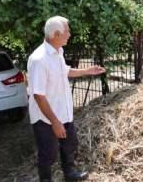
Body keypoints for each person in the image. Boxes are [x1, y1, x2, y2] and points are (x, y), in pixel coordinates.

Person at [27, 16, 106, 182]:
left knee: (69, 145)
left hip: (63, 112)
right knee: (48, 153)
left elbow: (66, 71)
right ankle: (46, 179)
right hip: (45, 118)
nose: (69, 34)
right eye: (67, 31)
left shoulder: (58, 52)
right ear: (56, 34)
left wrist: (88, 71)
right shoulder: (39, 59)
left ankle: (69, 174)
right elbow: (38, 95)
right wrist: (54, 122)